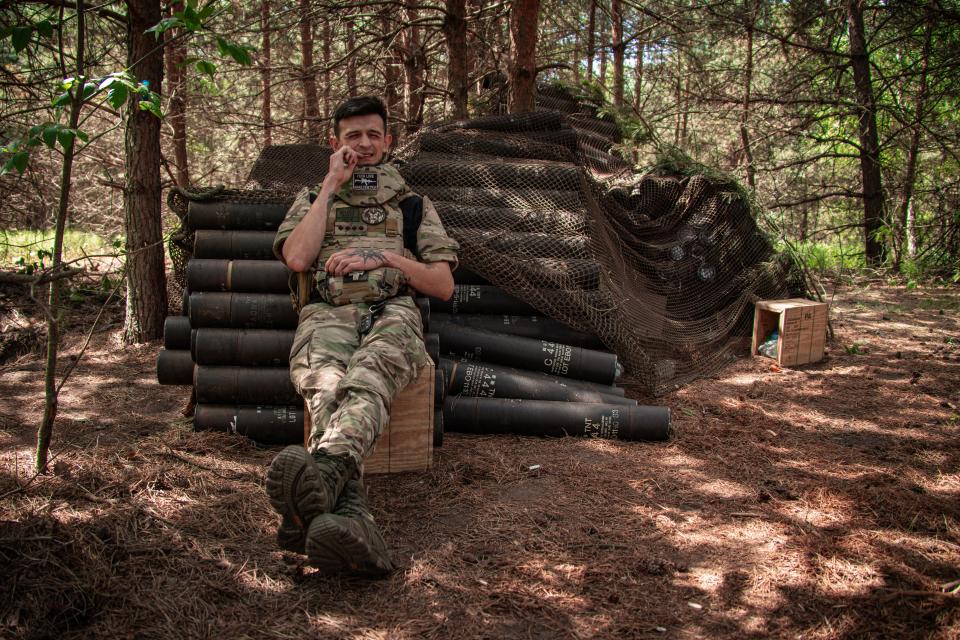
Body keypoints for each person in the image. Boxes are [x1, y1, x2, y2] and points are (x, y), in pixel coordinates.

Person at [266, 96, 459, 577]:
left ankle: (327, 477)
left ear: (389, 141)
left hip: (391, 308)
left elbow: (442, 284)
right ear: (337, 143)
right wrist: (331, 185)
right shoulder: (315, 197)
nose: (365, 144)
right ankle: (352, 516)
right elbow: (295, 258)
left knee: (370, 373)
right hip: (327, 310)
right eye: (354, 135)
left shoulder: (412, 204)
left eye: (374, 134)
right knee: (326, 386)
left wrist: (387, 258)